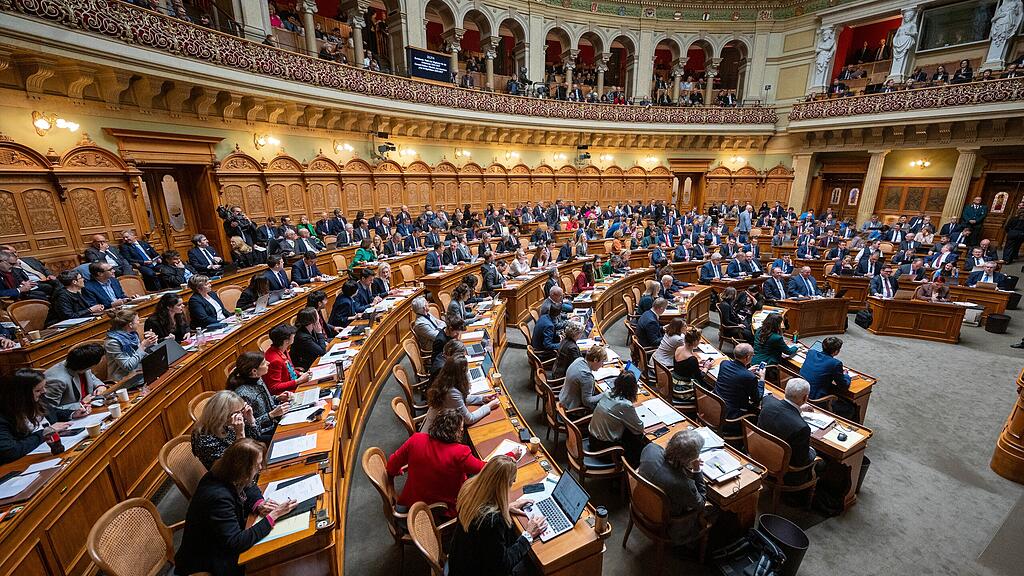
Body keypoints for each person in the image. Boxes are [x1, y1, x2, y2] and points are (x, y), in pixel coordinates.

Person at [175, 438, 297, 576]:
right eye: (257, 465)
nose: (260, 468)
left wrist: (259, 504)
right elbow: (235, 542)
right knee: (276, 556)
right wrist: (273, 515)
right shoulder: (218, 498)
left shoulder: (225, 472)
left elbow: (249, 486)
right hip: (208, 559)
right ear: (242, 469)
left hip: (222, 541)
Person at [446, 456, 547, 576]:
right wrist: (528, 535)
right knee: (534, 565)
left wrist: (505, 507)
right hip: (476, 570)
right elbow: (502, 566)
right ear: (503, 486)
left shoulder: (469, 489)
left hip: (460, 561)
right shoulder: (492, 521)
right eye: (511, 482)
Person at [386, 407, 485, 516]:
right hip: (442, 508)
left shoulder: (416, 439)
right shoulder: (460, 453)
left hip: (412, 500)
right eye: (461, 429)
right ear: (457, 432)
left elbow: (391, 465)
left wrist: (397, 470)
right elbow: (485, 469)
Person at [638, 429, 709, 545]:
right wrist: (697, 470)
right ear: (689, 459)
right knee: (714, 511)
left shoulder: (651, 448)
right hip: (665, 519)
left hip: (641, 501)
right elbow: (701, 503)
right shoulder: (683, 485)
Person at [0, 369, 86, 464]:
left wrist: (72, 414)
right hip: (32, 461)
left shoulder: (39, 398)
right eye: (38, 390)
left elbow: (52, 412)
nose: (44, 391)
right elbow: (9, 451)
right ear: (21, 395)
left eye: (43, 387)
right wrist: (45, 433)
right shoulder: (4, 417)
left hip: (58, 446)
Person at [757, 379, 816, 483]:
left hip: (759, 454)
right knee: (822, 463)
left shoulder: (768, 402)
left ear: (785, 390)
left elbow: (782, 411)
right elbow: (802, 461)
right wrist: (812, 451)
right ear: (805, 398)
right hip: (784, 471)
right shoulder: (802, 428)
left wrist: (799, 409)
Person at [421, 354, 498, 430]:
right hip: (435, 431)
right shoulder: (451, 393)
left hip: (439, 425)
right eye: (466, 371)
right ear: (461, 374)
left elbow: (460, 399)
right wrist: (489, 406)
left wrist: (482, 398)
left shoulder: (445, 382)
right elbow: (469, 419)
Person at [227, 352, 291, 443]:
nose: (268, 363)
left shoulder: (258, 379)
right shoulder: (242, 393)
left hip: (275, 422)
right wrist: (271, 415)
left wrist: (278, 398)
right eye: (264, 363)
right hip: (261, 433)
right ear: (254, 371)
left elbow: (262, 402)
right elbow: (246, 426)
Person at [190, 390, 261, 470]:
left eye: (241, 410)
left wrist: (251, 421)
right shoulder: (204, 439)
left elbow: (256, 439)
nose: (241, 415)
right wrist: (240, 434)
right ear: (221, 415)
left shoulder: (227, 424)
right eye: (237, 413)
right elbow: (237, 464)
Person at [589, 372, 648, 466]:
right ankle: (632, 468)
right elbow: (639, 429)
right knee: (639, 441)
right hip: (606, 450)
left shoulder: (607, 393)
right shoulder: (625, 405)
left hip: (592, 439)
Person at [42, 343, 107, 411]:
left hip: (90, 406)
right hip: (72, 413)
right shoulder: (58, 380)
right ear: (92, 364)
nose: (102, 360)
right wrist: (81, 403)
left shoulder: (82, 363)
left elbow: (92, 377)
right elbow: (49, 410)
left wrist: (99, 386)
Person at [104, 309, 157, 381]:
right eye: (137, 320)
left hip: (140, 372)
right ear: (130, 325)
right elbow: (128, 366)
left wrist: (152, 341)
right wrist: (143, 346)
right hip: (124, 380)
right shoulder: (112, 342)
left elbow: (143, 355)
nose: (139, 322)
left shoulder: (132, 335)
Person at [799, 336, 852, 409]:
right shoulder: (835, 363)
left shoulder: (811, 352)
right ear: (836, 352)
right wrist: (846, 375)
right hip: (815, 399)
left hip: (800, 391)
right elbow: (844, 386)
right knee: (850, 408)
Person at [713, 343, 762, 422]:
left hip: (715, 405)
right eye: (752, 355)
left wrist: (746, 371)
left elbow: (735, 374)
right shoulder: (750, 377)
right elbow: (756, 399)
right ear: (747, 357)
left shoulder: (724, 363)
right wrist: (762, 379)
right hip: (731, 415)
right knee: (758, 412)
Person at [263, 323, 312, 394]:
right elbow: (274, 387)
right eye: (292, 335)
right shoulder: (275, 360)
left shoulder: (282, 349)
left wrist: (301, 374)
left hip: (295, 384)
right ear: (286, 341)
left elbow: (290, 369)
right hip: (288, 393)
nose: (294, 335)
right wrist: (299, 381)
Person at [559, 344, 608, 412]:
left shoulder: (579, 360)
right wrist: (605, 394)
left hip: (564, 398)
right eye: (602, 362)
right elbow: (587, 402)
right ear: (595, 360)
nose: (602, 365)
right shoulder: (587, 376)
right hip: (572, 409)